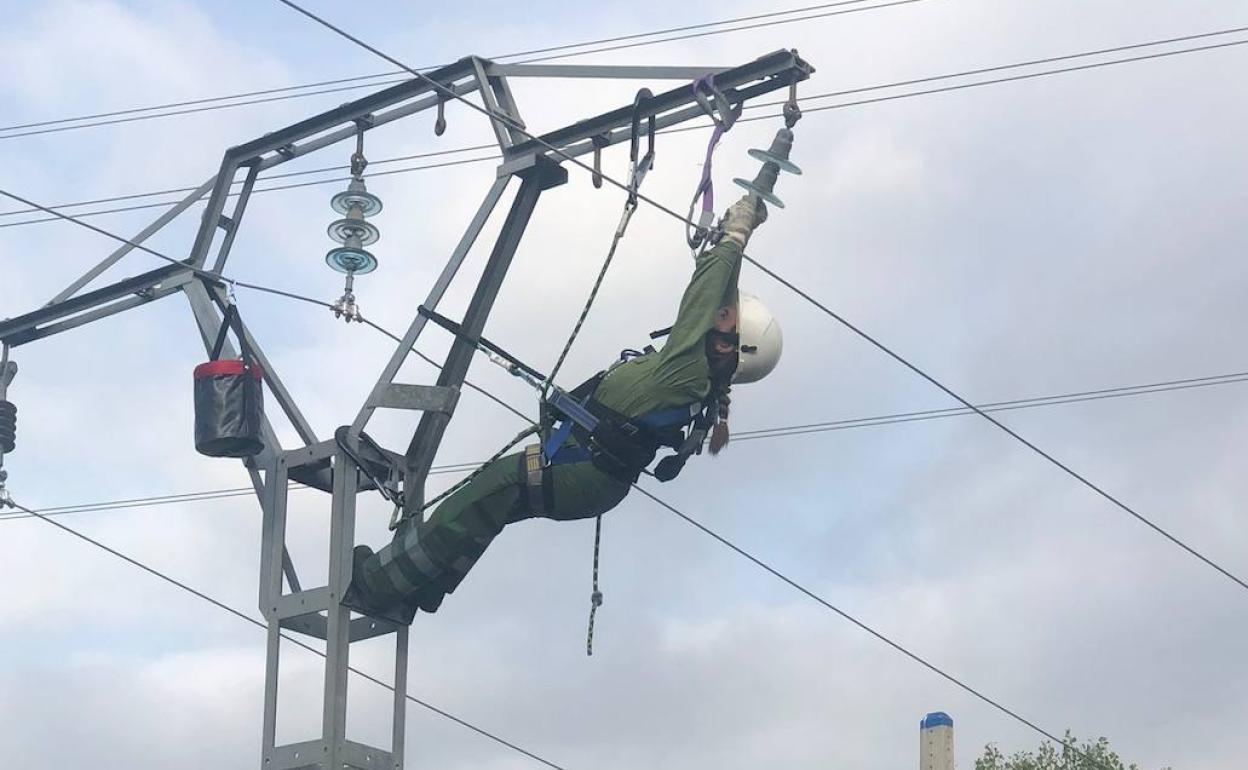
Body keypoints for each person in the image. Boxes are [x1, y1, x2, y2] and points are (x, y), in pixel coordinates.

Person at [344, 193, 782, 621]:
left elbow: (704, 296)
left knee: (480, 501)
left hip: (581, 468)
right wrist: (737, 237)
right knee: (486, 512)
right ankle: (420, 588)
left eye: (728, 320)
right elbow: (713, 299)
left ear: (733, 343)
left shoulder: (689, 368)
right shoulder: (700, 376)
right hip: (587, 470)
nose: (720, 318)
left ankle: (375, 586)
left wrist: (735, 238)